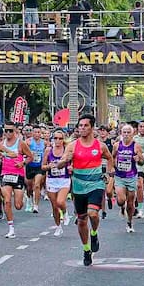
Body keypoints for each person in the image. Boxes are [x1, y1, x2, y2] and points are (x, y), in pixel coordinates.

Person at [58, 114, 113, 266]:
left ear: (92, 127)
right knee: (82, 221)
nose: (82, 128)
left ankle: (94, 233)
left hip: (96, 184)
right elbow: (60, 164)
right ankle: (86, 249)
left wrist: (109, 172)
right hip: (78, 186)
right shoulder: (72, 146)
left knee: (93, 214)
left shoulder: (100, 146)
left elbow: (109, 158)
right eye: (80, 126)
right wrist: (65, 161)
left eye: (85, 126)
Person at [0, 122, 34, 239]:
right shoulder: (1, 144)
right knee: (7, 201)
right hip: (5, 174)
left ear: (15, 131)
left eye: (11, 131)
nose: (8, 133)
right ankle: (11, 228)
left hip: (18, 175)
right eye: (6, 131)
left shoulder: (21, 143)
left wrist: (22, 163)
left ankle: (23, 196)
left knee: (18, 205)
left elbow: (30, 156)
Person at [111, 124, 142, 233]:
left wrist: (138, 158)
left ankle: (129, 222)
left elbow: (142, 161)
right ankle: (121, 207)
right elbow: (112, 157)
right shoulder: (116, 145)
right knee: (120, 200)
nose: (126, 134)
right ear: (121, 133)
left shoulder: (136, 146)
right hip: (119, 176)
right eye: (124, 132)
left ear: (133, 134)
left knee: (130, 202)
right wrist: (112, 167)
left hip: (131, 176)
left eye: (128, 132)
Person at [42, 129, 72, 236]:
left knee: (60, 202)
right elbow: (43, 166)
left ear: (63, 140)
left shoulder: (67, 150)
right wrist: (49, 166)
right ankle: (58, 226)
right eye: (55, 138)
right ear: (52, 139)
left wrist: (70, 167)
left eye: (60, 138)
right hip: (51, 180)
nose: (58, 140)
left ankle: (65, 212)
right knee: (54, 206)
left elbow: (72, 164)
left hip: (64, 179)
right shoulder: (48, 150)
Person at [24, 126, 46, 213]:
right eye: (35, 132)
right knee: (29, 187)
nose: (37, 134)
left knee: (37, 185)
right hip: (30, 166)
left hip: (39, 167)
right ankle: (29, 199)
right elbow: (22, 152)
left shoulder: (44, 143)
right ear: (32, 133)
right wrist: (29, 153)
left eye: (39, 132)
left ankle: (36, 205)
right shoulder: (28, 142)